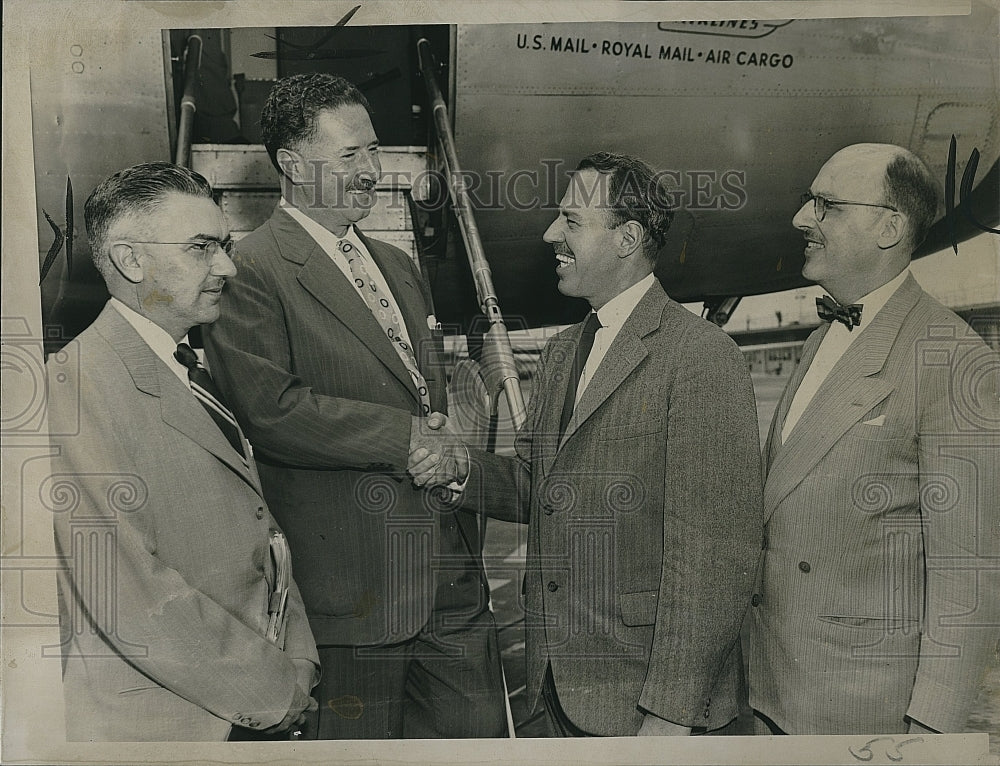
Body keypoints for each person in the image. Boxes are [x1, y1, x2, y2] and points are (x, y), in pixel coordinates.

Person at [411, 152, 764, 736]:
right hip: (555, 691)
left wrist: (670, 715)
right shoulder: (561, 352)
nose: (550, 234)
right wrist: (459, 466)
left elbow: (715, 558)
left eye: (571, 221)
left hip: (645, 706)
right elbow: (537, 485)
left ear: (627, 239)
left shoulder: (700, 355)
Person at [201, 73, 506, 739]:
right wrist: (408, 437)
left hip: (450, 590)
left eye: (374, 151)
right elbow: (274, 411)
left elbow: (425, 397)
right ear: (291, 165)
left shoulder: (398, 266)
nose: (373, 171)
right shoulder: (247, 271)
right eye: (351, 157)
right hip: (354, 600)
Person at [46, 162, 319, 741]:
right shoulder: (72, 387)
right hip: (166, 726)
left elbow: (258, 528)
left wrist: (300, 657)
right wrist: (272, 691)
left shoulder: (190, 366)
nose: (227, 266)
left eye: (224, 245)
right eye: (202, 248)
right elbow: (128, 592)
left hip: (241, 702)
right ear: (130, 261)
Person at [749, 143, 1000, 734]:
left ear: (889, 227)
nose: (800, 220)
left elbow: (967, 570)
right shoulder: (821, 338)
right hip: (771, 691)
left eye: (825, 205)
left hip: (862, 711)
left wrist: (931, 729)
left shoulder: (951, 358)